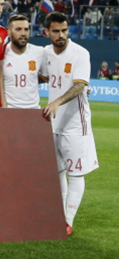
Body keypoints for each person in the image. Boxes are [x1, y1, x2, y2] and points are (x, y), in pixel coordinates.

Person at [41, 12, 98, 235]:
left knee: (75, 173)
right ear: (47, 32)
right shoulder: (45, 53)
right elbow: (44, 75)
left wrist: (56, 101)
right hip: (53, 123)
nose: (61, 35)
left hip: (75, 124)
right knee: (58, 171)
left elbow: (79, 86)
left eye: (64, 30)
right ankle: (60, 215)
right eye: (56, 31)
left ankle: (68, 220)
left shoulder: (80, 53)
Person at [2, 14, 44, 109]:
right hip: (9, 111)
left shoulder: (39, 52)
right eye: (18, 29)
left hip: (33, 110)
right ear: (8, 33)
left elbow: (48, 76)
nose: (23, 33)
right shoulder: (1, 53)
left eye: (26, 29)